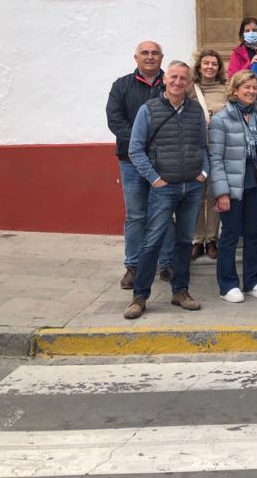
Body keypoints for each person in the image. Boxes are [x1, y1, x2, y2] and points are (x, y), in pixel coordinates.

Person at [124, 61, 209, 319]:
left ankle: (180, 291)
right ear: (165, 79)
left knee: (184, 242)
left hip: (192, 188)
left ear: (189, 82)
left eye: (183, 78)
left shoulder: (195, 111)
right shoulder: (148, 110)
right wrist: (155, 178)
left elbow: (204, 146)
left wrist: (203, 173)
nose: (178, 82)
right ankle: (140, 297)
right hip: (164, 188)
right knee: (152, 242)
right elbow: (135, 149)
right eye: (174, 76)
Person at [208, 70, 257, 303]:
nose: (251, 91)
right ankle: (228, 285)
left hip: (256, 186)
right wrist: (221, 192)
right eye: (246, 88)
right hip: (232, 187)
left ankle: (252, 281)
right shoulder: (221, 119)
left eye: (254, 87)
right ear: (235, 90)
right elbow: (215, 159)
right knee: (230, 235)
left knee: (254, 235)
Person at [106, 40, 175, 289]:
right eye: (144, 53)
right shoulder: (121, 86)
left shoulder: (172, 84)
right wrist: (140, 143)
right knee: (135, 216)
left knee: (165, 213)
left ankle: (167, 263)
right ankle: (133, 266)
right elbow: (115, 121)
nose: (149, 57)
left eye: (154, 53)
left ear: (161, 57)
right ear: (135, 58)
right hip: (131, 161)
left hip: (164, 162)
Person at [190, 48, 227, 261]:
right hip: (195, 150)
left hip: (217, 149)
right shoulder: (189, 89)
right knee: (196, 196)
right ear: (199, 66)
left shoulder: (225, 89)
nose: (210, 67)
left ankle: (212, 239)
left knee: (214, 195)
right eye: (206, 63)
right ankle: (197, 239)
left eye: (214, 64)